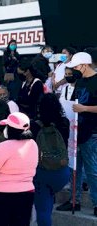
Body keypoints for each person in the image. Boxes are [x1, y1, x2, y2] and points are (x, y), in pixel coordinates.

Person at [56, 52, 97, 216]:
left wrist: (85, 109)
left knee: (92, 169)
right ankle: (74, 200)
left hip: (92, 133)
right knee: (74, 167)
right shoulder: (79, 82)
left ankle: (95, 202)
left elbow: (82, 106)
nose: (73, 71)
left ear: (84, 65)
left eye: (75, 67)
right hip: (76, 131)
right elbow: (73, 103)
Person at [0, 112, 38, 226]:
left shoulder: (4, 146)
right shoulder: (33, 144)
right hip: (26, 194)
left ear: (10, 129)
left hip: (0, 196)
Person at [29, 93, 70, 226]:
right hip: (62, 172)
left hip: (42, 171)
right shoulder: (64, 123)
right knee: (49, 199)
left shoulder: (34, 125)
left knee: (42, 211)